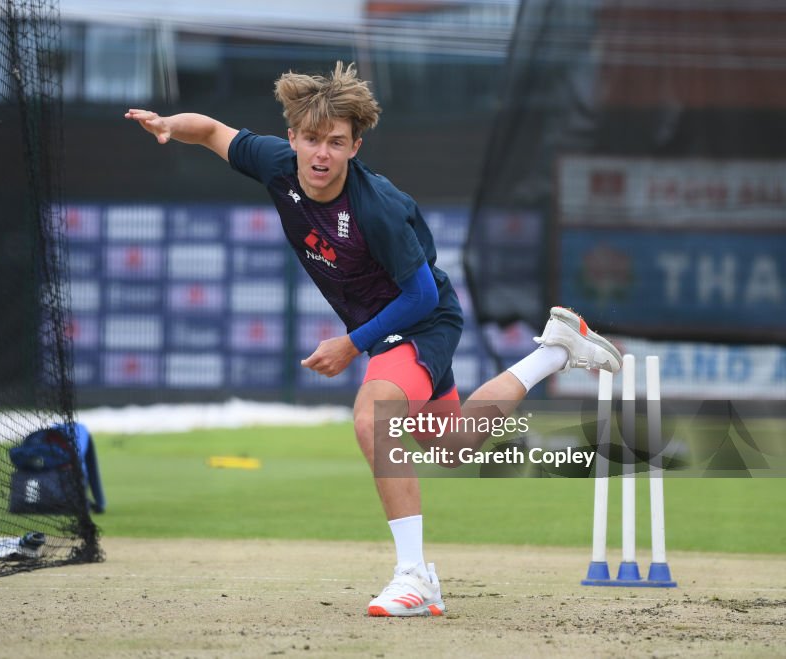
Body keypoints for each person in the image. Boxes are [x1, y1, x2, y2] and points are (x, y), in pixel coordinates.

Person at [125, 62, 622, 617]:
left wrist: (352, 344)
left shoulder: (375, 207)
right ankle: (554, 351)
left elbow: (421, 298)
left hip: (421, 319)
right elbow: (214, 131)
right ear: (292, 138)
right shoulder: (275, 164)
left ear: (355, 146)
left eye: (336, 143)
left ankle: (413, 577)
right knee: (450, 446)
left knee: (373, 418)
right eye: (311, 139)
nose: (321, 154)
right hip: (390, 323)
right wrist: (170, 124)